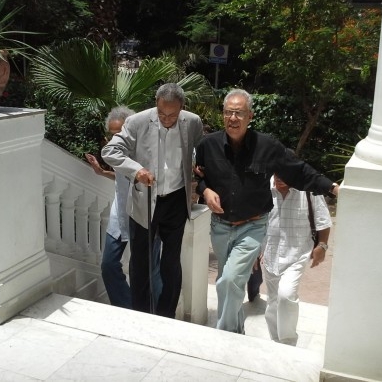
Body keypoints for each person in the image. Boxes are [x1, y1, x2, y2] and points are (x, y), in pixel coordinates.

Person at [195, 88, 339, 334]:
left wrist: (333, 188)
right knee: (228, 282)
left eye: (239, 113)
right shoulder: (208, 145)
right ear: (223, 114)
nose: (233, 118)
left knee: (229, 280)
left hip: (252, 226)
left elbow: (299, 171)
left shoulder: (267, 146)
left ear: (250, 116)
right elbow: (198, 175)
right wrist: (205, 190)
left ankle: (224, 335)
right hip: (220, 226)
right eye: (228, 112)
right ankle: (237, 331)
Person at [101, 83, 203, 317]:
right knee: (140, 263)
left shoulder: (193, 122)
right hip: (145, 200)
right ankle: (141, 315)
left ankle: (167, 315)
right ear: (156, 104)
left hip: (176, 200)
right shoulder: (136, 122)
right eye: (162, 114)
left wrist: (200, 170)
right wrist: (136, 170)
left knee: (171, 262)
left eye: (172, 115)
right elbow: (110, 151)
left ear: (182, 108)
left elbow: (202, 150)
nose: (166, 119)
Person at [85, 106, 162, 309]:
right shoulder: (116, 153)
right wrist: (102, 172)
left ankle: (159, 315)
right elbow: (122, 177)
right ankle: (128, 308)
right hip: (120, 213)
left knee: (151, 271)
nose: (115, 139)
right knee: (108, 265)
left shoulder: (147, 149)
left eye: (119, 133)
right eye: (112, 135)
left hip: (146, 215)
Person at [262, 174, 332, 346]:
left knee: (286, 296)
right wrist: (256, 249)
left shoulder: (309, 189)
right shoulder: (263, 186)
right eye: (277, 173)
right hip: (270, 253)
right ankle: (275, 339)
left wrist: (322, 246)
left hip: (297, 254)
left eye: (284, 173)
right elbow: (257, 219)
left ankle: (288, 342)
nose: (279, 178)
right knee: (273, 300)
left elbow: (323, 220)